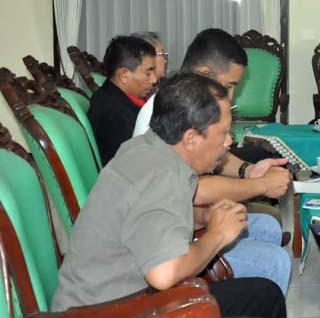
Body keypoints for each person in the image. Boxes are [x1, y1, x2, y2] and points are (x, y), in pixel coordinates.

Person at [52, 73, 285, 317]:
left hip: (100, 299)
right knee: (263, 296)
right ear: (191, 138)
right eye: (223, 133)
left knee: (254, 294)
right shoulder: (163, 176)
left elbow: (150, 218)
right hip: (110, 310)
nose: (229, 141)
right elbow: (164, 273)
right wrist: (217, 235)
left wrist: (205, 217)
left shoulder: (147, 147)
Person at [133, 28, 292, 293]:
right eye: (229, 86)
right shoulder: (170, 110)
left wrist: (248, 170)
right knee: (274, 261)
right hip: (167, 243)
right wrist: (261, 187)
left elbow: (215, 154)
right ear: (205, 75)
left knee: (266, 226)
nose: (230, 97)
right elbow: (196, 191)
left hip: (183, 222)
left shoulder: (183, 102)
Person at [88, 36, 158, 165]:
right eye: (148, 73)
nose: (154, 80)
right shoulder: (112, 111)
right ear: (124, 75)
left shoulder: (121, 98)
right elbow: (142, 160)